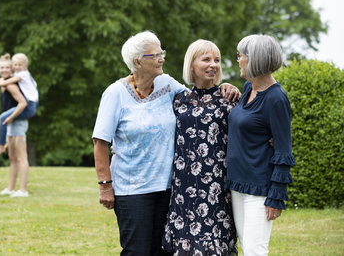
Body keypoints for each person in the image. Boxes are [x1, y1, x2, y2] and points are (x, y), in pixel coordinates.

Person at [92, 31, 240, 256]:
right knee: (137, 251)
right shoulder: (115, 93)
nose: (162, 57)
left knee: (163, 250)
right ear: (138, 61)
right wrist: (105, 185)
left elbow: (199, 98)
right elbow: (100, 141)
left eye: (162, 52)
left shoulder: (168, 85)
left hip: (169, 188)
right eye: (156, 54)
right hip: (133, 189)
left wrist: (226, 86)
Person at [162, 39, 239, 256]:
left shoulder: (230, 100)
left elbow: (250, 130)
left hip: (216, 189)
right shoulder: (178, 101)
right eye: (206, 59)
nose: (213, 64)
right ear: (192, 64)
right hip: (182, 190)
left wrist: (271, 139)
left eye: (217, 60)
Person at [225, 34, 296, 255]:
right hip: (238, 184)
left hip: (260, 189)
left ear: (254, 59)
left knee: (255, 250)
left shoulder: (276, 98)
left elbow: (284, 151)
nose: (238, 60)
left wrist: (276, 195)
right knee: (246, 247)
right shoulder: (248, 88)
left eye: (241, 56)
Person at [0, 53, 38, 158]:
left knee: (2, 118)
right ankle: (6, 142)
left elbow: (22, 102)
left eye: (8, 67)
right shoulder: (18, 76)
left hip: (29, 106)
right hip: (30, 106)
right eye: (15, 65)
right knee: (5, 119)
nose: (16, 67)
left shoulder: (22, 75)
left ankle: (0, 146)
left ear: (25, 66)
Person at [0, 54, 31, 197]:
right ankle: (10, 188)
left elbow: (23, 103)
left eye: (6, 67)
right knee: (12, 157)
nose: (4, 70)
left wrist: (10, 117)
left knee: (21, 157)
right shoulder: (5, 83)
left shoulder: (12, 83)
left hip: (18, 122)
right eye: (1, 67)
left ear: (11, 69)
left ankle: (23, 190)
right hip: (11, 122)